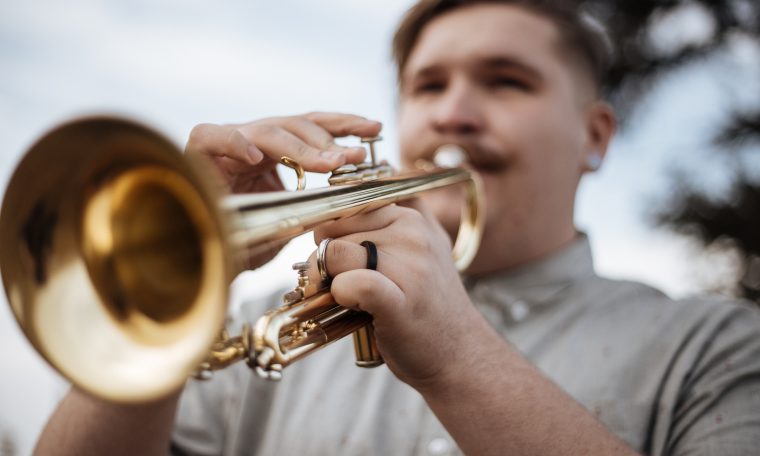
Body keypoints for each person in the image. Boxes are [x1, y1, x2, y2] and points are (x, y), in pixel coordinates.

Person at [33, 1, 760, 455]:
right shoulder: (258, 328)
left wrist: (459, 359)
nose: (453, 114)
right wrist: (175, 281)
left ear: (595, 136)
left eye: (507, 80)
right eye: (428, 85)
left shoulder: (720, 347)